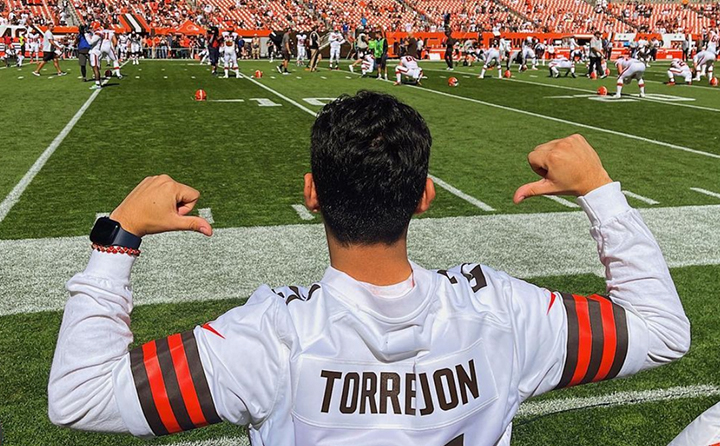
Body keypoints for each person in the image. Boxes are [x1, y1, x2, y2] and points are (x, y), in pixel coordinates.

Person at [48, 91, 690, 446]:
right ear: (425, 195)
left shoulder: (269, 337)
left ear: (312, 192)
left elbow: (79, 397)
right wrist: (600, 190)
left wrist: (117, 238)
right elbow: (663, 331)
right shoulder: (502, 313)